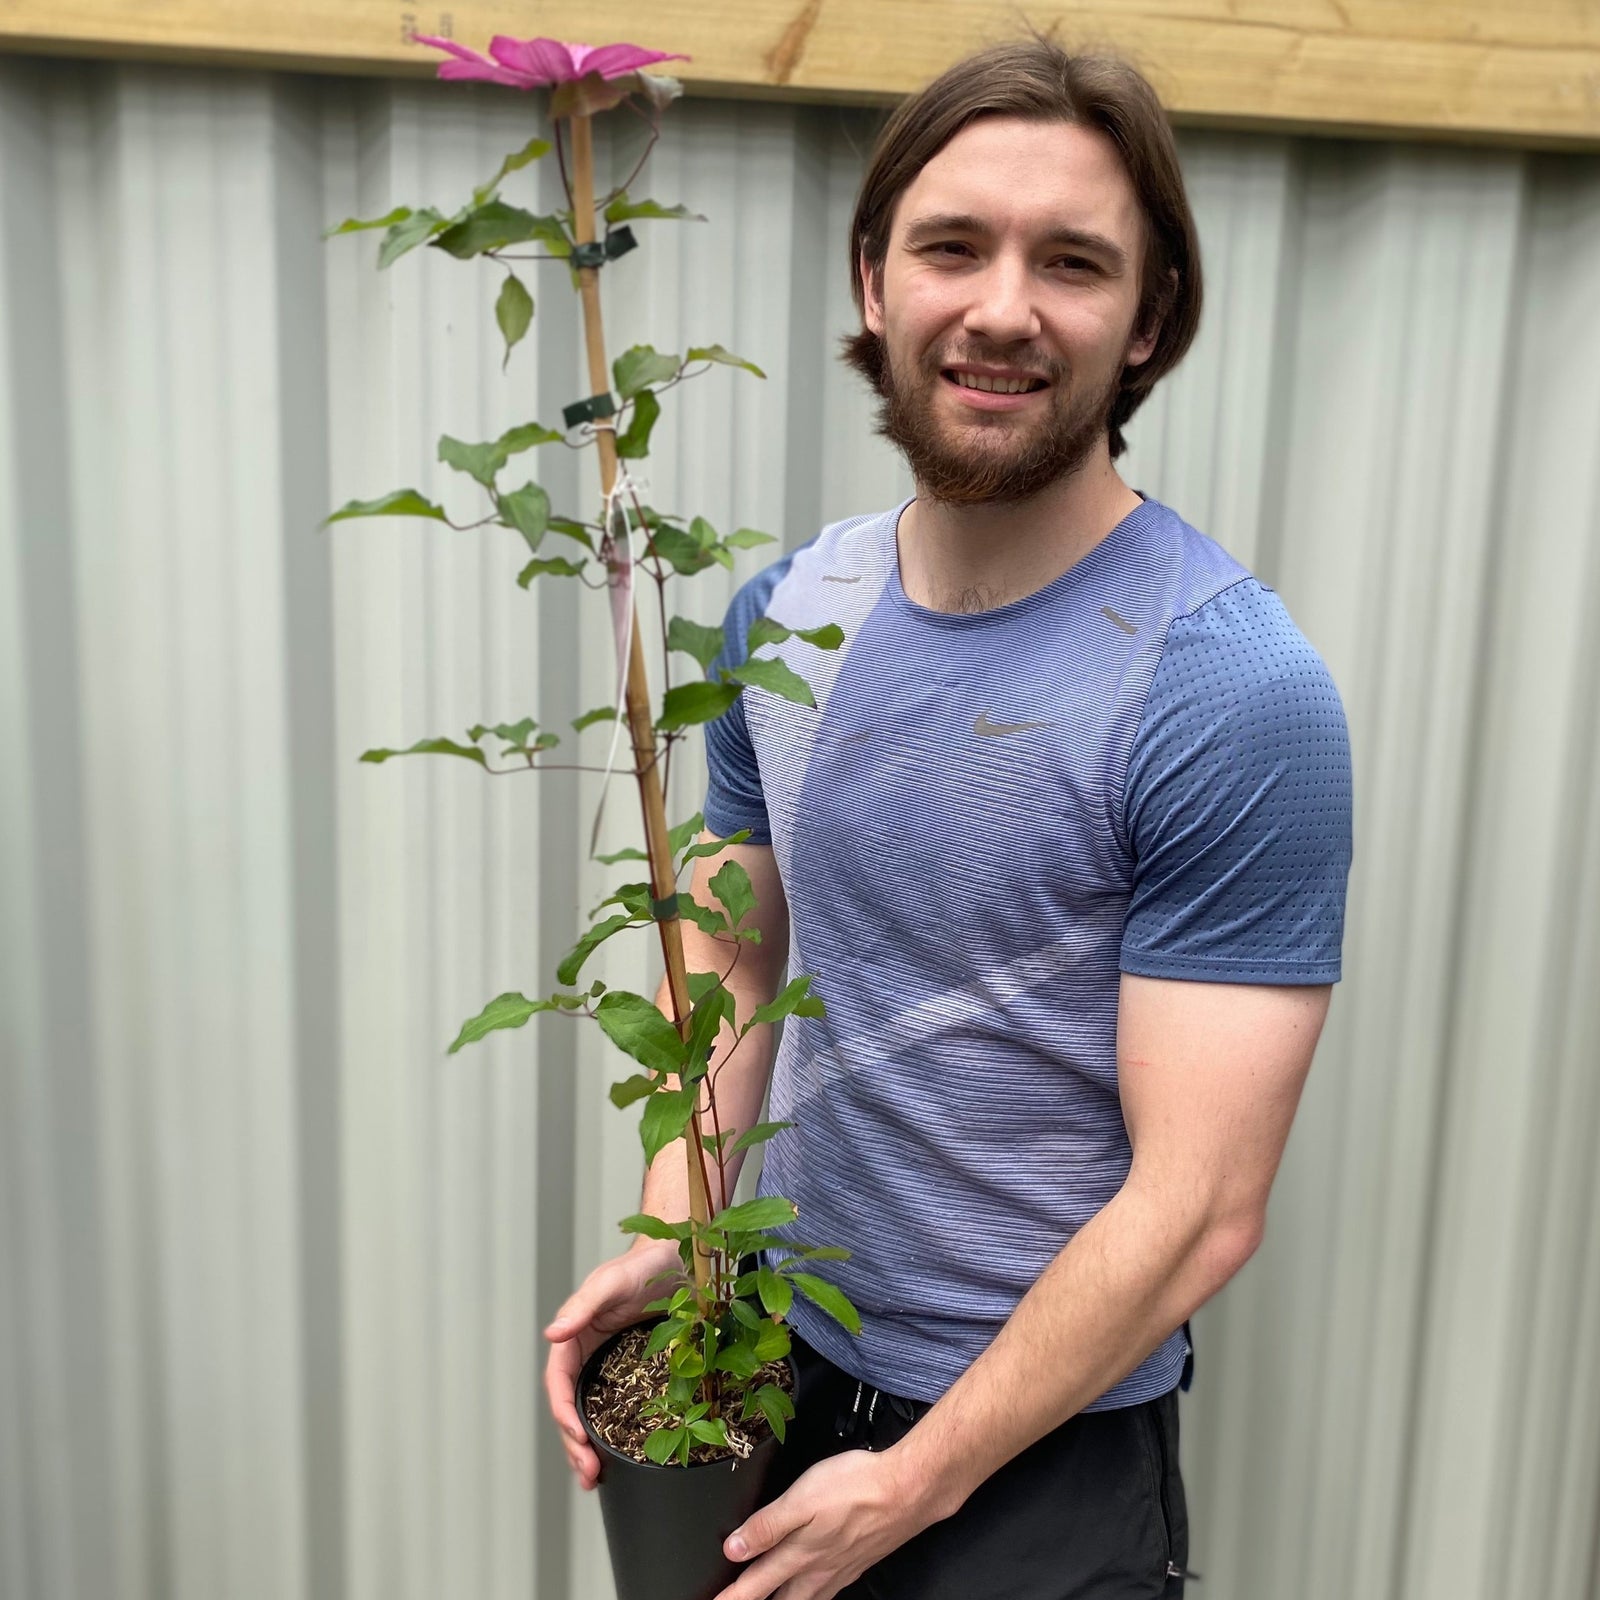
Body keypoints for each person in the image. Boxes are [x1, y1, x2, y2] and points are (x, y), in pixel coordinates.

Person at [544, 37, 1352, 1600]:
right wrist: (676, 1237)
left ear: (1151, 319)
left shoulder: (1229, 686)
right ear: (874, 278)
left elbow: (1199, 1210)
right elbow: (734, 962)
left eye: (1071, 262)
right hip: (772, 1368)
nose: (1001, 307)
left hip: (1033, 1467)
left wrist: (911, 1488)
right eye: (952, 246)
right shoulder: (785, 616)